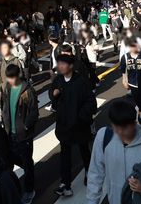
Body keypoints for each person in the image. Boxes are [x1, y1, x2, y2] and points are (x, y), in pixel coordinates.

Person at [87, 99, 141, 204]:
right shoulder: (104, 137)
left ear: (134, 123)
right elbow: (95, 174)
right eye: (116, 127)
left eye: (124, 128)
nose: (120, 132)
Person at [49, 53, 97, 197]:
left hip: (79, 125)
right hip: (64, 126)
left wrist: (81, 117)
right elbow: (52, 94)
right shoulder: (58, 80)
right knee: (65, 155)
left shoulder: (81, 81)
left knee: (84, 151)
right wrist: (54, 94)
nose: (60, 66)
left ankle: (89, 172)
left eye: (63, 64)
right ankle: (66, 184)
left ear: (70, 66)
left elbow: (91, 102)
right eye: (59, 64)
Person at [0, 64, 38, 204]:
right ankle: (19, 183)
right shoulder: (7, 88)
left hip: (24, 135)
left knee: (26, 162)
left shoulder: (28, 91)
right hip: (10, 133)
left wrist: (26, 126)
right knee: (10, 159)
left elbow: (34, 112)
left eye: (11, 78)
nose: (9, 80)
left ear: (17, 76)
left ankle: (29, 190)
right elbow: (5, 106)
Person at [0, 39, 20, 123]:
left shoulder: (15, 60)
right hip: (3, 87)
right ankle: (3, 119)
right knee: (4, 105)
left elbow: (20, 75)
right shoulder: (0, 60)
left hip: (14, 87)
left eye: (5, 47)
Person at [119, 36, 141, 104]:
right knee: (137, 100)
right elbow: (123, 70)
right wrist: (124, 80)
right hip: (132, 83)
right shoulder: (125, 57)